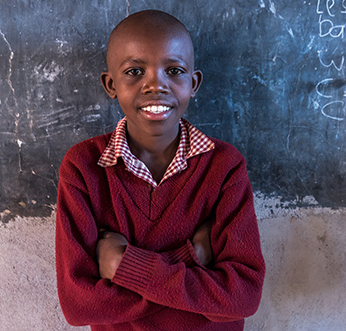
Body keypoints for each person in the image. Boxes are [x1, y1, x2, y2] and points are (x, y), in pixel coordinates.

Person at [55, 9, 265, 331]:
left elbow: (243, 297)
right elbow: (80, 306)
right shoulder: (84, 168)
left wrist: (125, 266)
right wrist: (189, 257)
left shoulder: (223, 167)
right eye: (135, 71)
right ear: (110, 84)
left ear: (193, 83)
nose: (156, 85)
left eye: (174, 70)